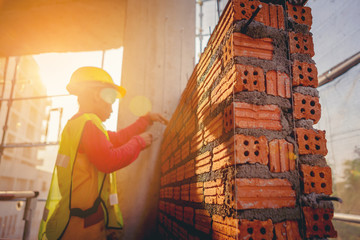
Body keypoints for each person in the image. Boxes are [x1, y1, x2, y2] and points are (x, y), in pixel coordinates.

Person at [38, 66, 168, 240]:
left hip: (79, 219)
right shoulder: (88, 124)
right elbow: (108, 160)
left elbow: (119, 137)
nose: (112, 108)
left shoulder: (81, 124)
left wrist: (145, 119)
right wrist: (139, 141)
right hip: (80, 226)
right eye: (110, 98)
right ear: (96, 95)